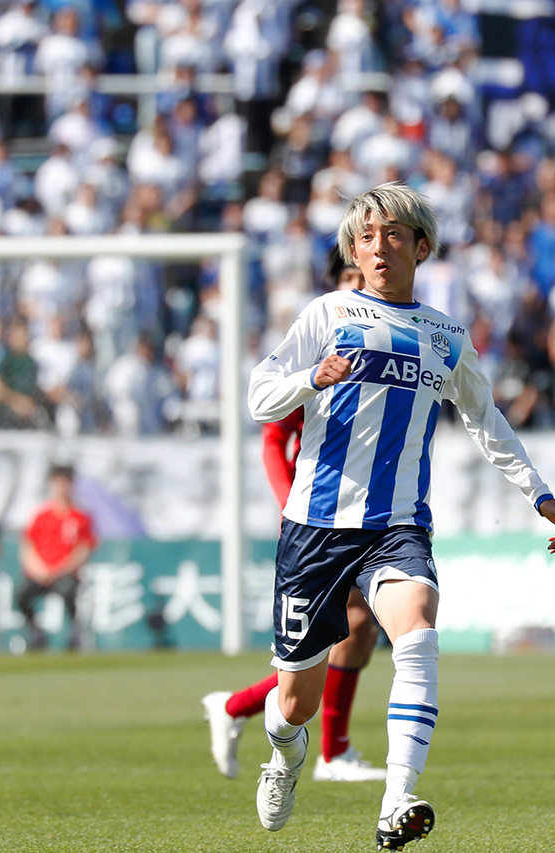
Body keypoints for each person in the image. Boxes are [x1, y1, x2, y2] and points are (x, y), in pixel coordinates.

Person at [247, 184, 555, 848]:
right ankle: (284, 754)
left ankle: (397, 800)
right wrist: (313, 378)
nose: (378, 248)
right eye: (366, 237)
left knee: (418, 628)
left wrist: (539, 493)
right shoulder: (328, 312)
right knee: (294, 703)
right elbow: (259, 397)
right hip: (315, 527)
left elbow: (485, 420)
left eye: (393, 234)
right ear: (353, 250)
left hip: (397, 524)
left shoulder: (445, 336)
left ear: (421, 247)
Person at [202, 256, 386, 784]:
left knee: (356, 631)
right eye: (351, 280)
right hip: (319, 511)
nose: (362, 288)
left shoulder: (390, 342)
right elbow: (273, 440)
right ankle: (330, 750)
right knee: (347, 628)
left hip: (372, 507)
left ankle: (241, 709)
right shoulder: (319, 343)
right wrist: (289, 506)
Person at [17, 464, 97, 650]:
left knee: (69, 592)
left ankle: (75, 633)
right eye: (58, 482)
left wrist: (59, 570)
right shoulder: (41, 516)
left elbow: (83, 550)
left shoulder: (81, 517)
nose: (61, 487)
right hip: (40, 573)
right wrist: (39, 570)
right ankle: (35, 630)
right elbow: (28, 547)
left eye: (65, 482)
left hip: (65, 573)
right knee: (21, 595)